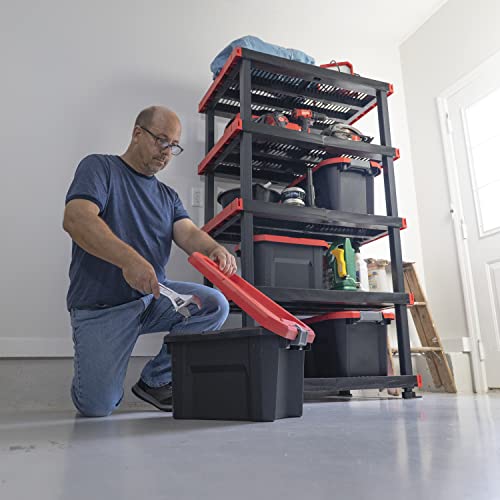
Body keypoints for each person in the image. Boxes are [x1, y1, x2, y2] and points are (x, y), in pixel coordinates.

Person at [63, 105, 237, 417]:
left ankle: (155, 381)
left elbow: (188, 234)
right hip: (101, 308)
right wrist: (129, 260)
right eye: (161, 141)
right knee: (97, 407)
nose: (167, 152)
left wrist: (214, 249)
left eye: (174, 146)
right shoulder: (99, 168)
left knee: (213, 304)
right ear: (137, 133)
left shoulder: (168, 196)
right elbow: (76, 219)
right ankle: (95, 381)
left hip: (153, 298)